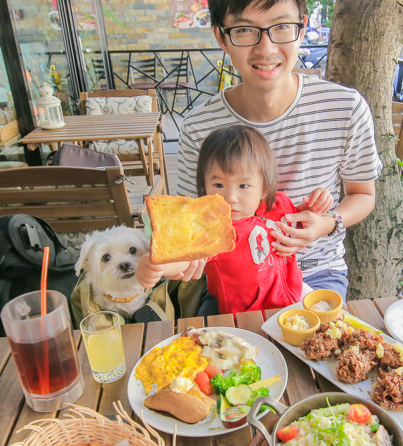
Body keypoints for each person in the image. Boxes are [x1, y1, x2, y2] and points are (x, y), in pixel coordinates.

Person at [176, 0, 381, 299]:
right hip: (233, 280)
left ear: (302, 28)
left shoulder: (345, 108)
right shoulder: (199, 127)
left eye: (281, 27)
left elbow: (362, 195)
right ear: (220, 37)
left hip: (318, 272)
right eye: (244, 30)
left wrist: (327, 223)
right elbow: (190, 224)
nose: (266, 49)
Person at [138, 125, 332, 314]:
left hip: (295, 296)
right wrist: (158, 265)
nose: (230, 197)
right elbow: (188, 258)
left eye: (243, 185)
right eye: (218, 184)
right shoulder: (213, 230)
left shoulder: (278, 205)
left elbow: (303, 222)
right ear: (205, 187)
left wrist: (317, 204)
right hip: (246, 316)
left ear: (264, 187)